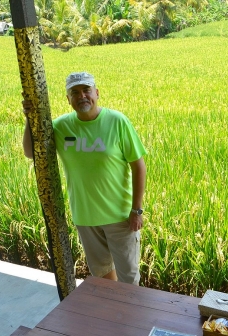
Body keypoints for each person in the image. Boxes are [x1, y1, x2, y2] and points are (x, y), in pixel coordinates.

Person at [22, 72, 147, 285]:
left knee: (129, 279)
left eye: (86, 90)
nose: (82, 96)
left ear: (96, 93)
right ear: (68, 99)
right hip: (85, 218)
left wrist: (136, 210)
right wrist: (29, 118)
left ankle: (130, 318)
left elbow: (139, 166)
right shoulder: (61, 127)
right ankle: (111, 315)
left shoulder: (117, 121)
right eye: (75, 92)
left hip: (120, 218)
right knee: (103, 277)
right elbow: (30, 152)